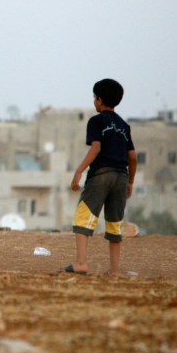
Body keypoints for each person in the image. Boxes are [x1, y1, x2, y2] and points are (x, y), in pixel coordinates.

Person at [67, 78, 138, 275]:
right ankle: (114, 270)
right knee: (115, 224)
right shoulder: (124, 126)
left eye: (94, 98)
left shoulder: (96, 121)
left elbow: (96, 147)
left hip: (101, 175)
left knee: (83, 217)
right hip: (121, 177)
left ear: (99, 100)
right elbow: (132, 157)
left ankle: (81, 263)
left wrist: (80, 170)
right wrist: (130, 181)